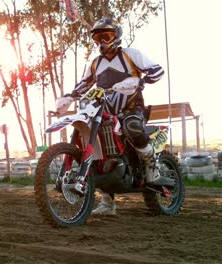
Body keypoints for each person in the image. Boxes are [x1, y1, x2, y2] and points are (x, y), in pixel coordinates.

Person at [70, 17, 174, 214]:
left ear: (116, 36)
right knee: (98, 147)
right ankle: (107, 203)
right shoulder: (94, 63)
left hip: (132, 108)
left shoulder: (130, 55)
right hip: (106, 112)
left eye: (106, 36)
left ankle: (152, 167)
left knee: (132, 127)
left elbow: (157, 70)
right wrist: (69, 96)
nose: (101, 42)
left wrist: (141, 82)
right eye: (97, 38)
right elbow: (83, 84)